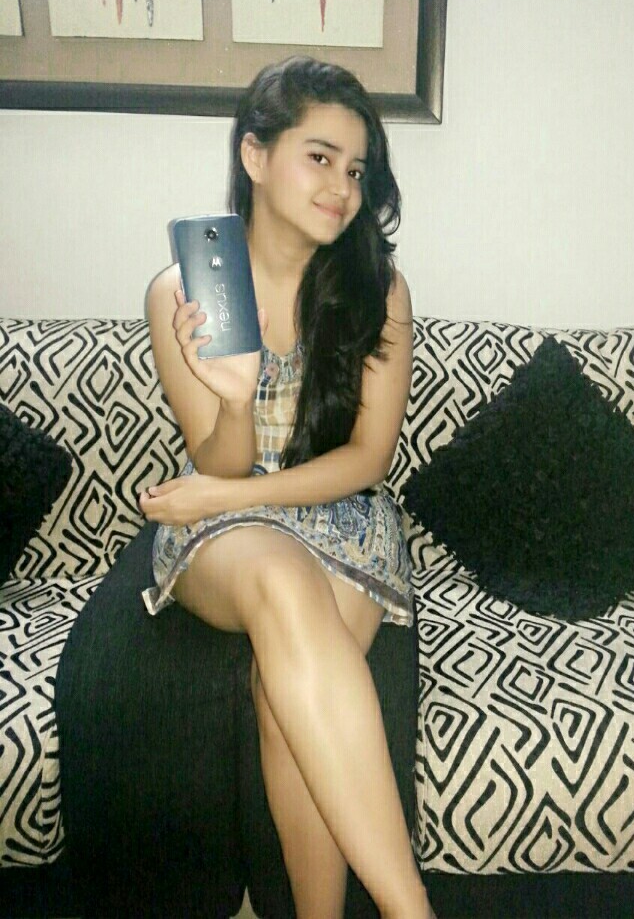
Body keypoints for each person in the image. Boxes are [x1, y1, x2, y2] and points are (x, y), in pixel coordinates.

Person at [138, 57, 436, 919]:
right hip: (231, 539)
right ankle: (411, 909)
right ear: (256, 156)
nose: (342, 188)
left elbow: (368, 459)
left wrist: (223, 497)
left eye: (357, 169)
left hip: (338, 518)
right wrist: (234, 402)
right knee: (277, 574)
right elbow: (223, 463)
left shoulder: (378, 290)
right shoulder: (183, 292)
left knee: (285, 697)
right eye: (320, 157)